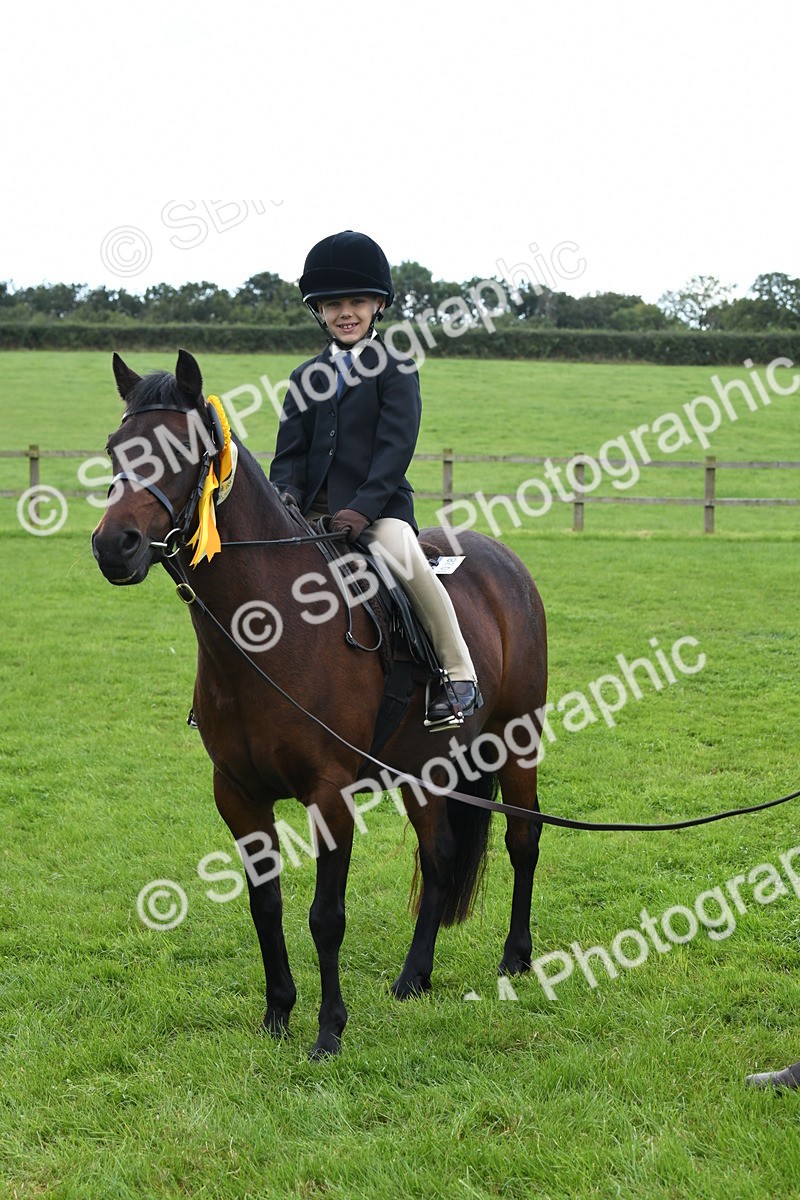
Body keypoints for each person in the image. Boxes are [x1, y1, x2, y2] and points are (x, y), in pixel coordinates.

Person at [269, 229, 480, 725]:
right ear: (319, 311)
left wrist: (362, 510)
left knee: (405, 557)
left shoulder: (396, 368)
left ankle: (458, 674)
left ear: (378, 305)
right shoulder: (303, 377)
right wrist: (284, 498)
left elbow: (394, 451)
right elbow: (290, 456)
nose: (346, 313)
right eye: (334, 304)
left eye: (357, 302)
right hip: (309, 516)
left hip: (377, 511)